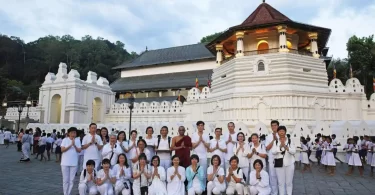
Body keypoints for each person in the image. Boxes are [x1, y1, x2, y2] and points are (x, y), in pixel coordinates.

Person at [272, 126, 296, 195]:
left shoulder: (290, 140)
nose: (281, 132)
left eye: (283, 131)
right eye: (280, 131)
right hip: (279, 164)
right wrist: (280, 146)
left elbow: (293, 151)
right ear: (278, 132)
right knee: (280, 182)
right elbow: (273, 152)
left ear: (285, 132)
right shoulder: (276, 141)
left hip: (289, 163)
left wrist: (286, 147)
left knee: (289, 182)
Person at [61, 127, 82, 195]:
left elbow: (79, 151)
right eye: (72, 132)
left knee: (71, 180)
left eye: (75, 132)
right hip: (65, 162)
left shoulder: (78, 140)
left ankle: (68, 193)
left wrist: (74, 145)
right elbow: (62, 150)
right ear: (69, 133)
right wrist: (70, 145)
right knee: (65, 180)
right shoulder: (65, 140)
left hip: (74, 163)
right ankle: (65, 193)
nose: (73, 134)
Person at [265, 120, 279, 195]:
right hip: (272, 160)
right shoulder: (268, 137)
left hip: (281, 159)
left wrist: (277, 139)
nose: (274, 127)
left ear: (278, 126)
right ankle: (274, 193)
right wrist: (273, 140)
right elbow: (267, 148)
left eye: (275, 125)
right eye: (272, 125)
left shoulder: (282, 135)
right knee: (272, 177)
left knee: (281, 178)